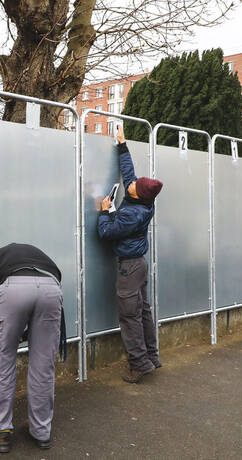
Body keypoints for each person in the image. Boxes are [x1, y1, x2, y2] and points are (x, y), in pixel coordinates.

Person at [0, 243, 65, 454]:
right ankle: (41, 432)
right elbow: (52, 282)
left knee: (3, 362)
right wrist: (25, 333)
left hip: (13, 290)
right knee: (43, 366)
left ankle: (1, 432)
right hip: (51, 287)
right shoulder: (38, 255)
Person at [97, 126, 163, 384]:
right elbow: (129, 174)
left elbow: (107, 233)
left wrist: (105, 211)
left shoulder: (132, 213)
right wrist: (122, 145)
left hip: (129, 268)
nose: (131, 184)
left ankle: (139, 364)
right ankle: (152, 357)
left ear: (137, 194)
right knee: (143, 311)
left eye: (134, 186)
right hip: (139, 266)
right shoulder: (143, 201)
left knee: (130, 316)